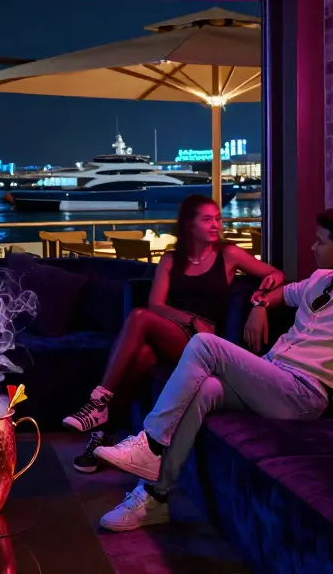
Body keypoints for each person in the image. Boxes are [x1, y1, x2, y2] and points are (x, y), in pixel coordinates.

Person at [93, 207, 333, 531]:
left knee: (204, 345)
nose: (312, 247)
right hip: (273, 376)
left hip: (305, 394)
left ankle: (150, 443)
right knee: (205, 390)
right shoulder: (319, 281)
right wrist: (260, 303)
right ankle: (155, 497)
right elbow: (280, 294)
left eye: (320, 241)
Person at [61, 195, 284, 474]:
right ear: (189, 225)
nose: (216, 224)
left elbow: (275, 274)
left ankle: (98, 403)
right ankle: (104, 433)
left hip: (206, 343)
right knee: (141, 355)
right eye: (207, 219)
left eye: (217, 218)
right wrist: (190, 318)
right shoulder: (170, 260)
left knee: (139, 317)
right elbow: (157, 304)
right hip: (177, 333)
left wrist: (261, 300)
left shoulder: (229, 254)